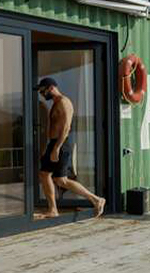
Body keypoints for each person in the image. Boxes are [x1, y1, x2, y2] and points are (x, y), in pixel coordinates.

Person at [35, 77, 106, 220]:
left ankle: (96, 199)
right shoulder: (55, 103)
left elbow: (66, 127)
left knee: (58, 179)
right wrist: (49, 146)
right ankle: (54, 209)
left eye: (42, 91)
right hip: (54, 144)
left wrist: (56, 148)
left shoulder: (64, 102)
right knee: (50, 176)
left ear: (51, 88)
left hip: (60, 144)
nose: (41, 94)